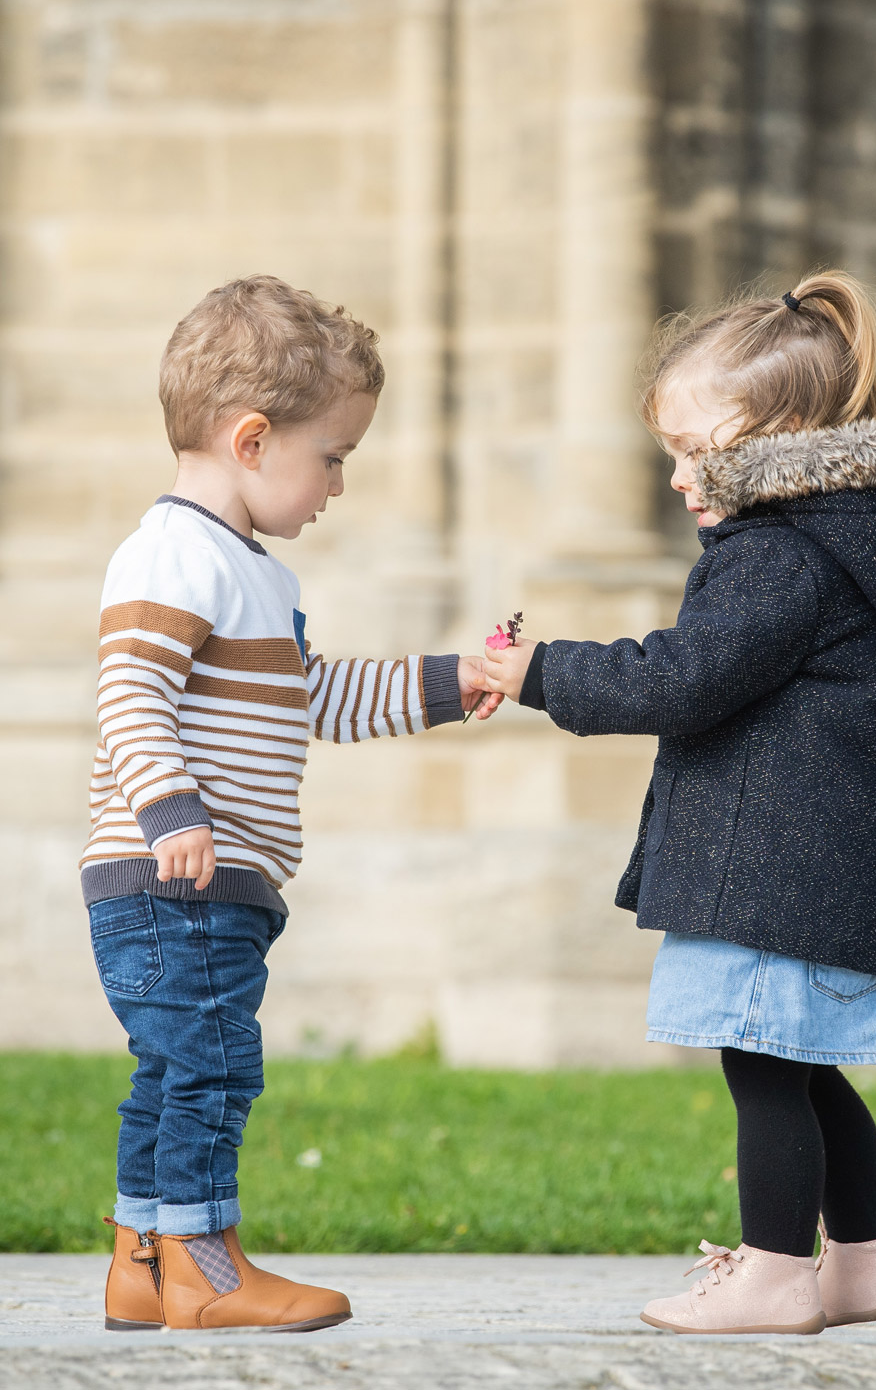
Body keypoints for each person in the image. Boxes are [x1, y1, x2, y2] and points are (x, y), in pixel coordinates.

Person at [481, 271, 876, 1336]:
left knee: (763, 1066)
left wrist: (538, 671)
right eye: (669, 451)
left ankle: (774, 1275)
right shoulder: (871, 542)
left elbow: (682, 676)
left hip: (788, 869)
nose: (680, 477)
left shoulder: (780, 554)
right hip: (845, 860)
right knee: (803, 1066)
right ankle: (865, 1261)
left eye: (697, 449)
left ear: (782, 436)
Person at [84, 276, 500, 1333]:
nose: (339, 487)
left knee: (171, 1070)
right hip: (177, 874)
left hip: (204, 881)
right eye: (335, 458)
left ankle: (141, 1259)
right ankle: (204, 1271)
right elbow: (130, 689)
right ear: (254, 440)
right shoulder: (175, 555)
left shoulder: (246, 572)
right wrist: (174, 812)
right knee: (215, 1067)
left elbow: (318, 697)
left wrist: (450, 682)